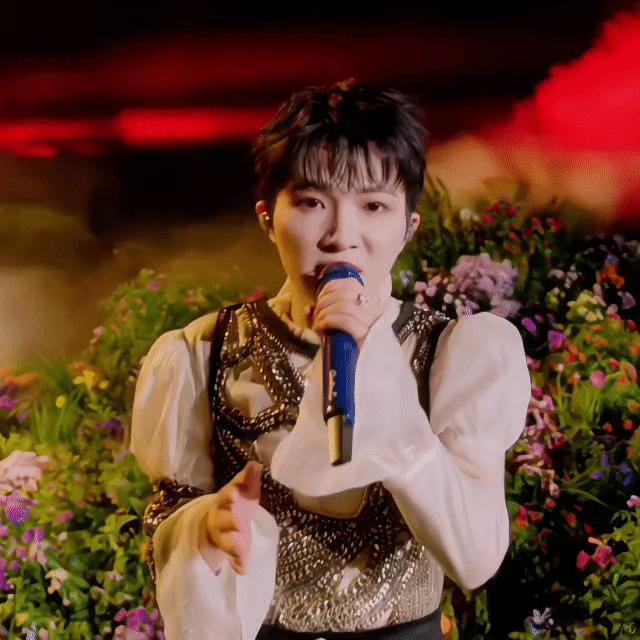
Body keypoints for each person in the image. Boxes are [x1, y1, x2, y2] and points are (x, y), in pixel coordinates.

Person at [129, 78, 532, 640]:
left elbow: (475, 558)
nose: (343, 236)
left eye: (374, 206)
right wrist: (206, 530)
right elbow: (167, 518)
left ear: (408, 227)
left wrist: (387, 394)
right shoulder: (203, 351)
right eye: (313, 203)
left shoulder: (453, 352)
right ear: (267, 217)